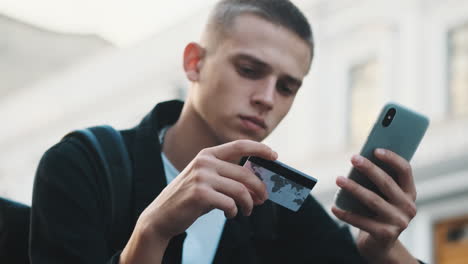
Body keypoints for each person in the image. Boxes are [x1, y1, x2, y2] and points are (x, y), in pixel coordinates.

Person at [30, 0, 423, 263]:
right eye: (249, 70)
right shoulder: (83, 164)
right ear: (194, 63)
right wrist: (152, 231)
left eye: (287, 87)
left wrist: (381, 249)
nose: (268, 98)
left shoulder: (277, 192)